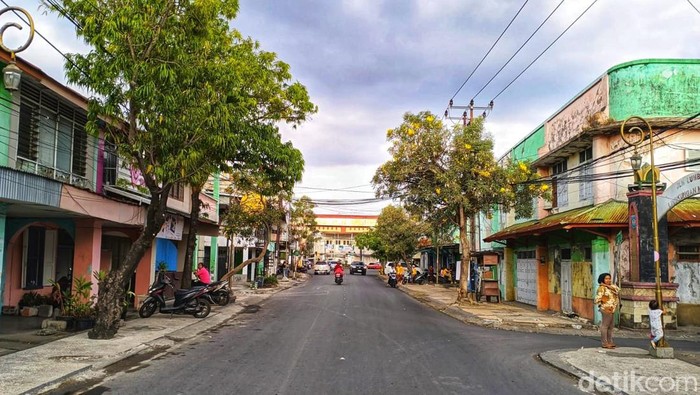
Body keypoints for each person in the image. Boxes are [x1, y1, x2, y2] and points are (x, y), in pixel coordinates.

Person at [594, 272, 619, 349]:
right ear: (602, 279)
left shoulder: (611, 286)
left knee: (611, 326)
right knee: (605, 326)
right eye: (606, 279)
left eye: (609, 278)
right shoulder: (601, 288)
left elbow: (617, 290)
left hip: (612, 309)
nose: (608, 280)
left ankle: (610, 341)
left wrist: (607, 285)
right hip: (606, 308)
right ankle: (604, 342)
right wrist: (603, 300)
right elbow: (596, 299)